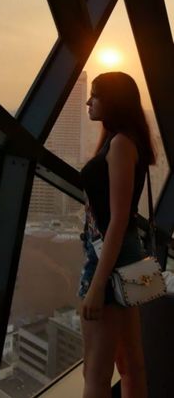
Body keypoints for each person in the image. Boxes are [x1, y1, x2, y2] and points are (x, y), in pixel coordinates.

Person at [79, 71, 155, 398]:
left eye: (94, 95)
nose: (88, 101)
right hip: (130, 258)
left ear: (113, 101)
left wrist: (97, 286)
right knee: (131, 364)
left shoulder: (122, 143)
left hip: (112, 261)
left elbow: (118, 219)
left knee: (95, 372)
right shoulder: (119, 139)